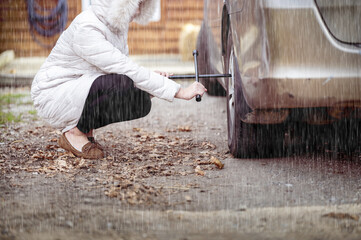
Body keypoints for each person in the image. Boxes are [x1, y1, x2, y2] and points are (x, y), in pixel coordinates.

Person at [31, 0, 207, 159]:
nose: (138, 11)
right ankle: (75, 133)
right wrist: (179, 91)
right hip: (52, 93)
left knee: (140, 102)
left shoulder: (115, 27)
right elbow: (124, 70)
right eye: (137, 4)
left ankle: (86, 131)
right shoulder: (87, 26)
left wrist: (151, 84)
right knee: (120, 82)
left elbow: (123, 72)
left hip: (77, 85)